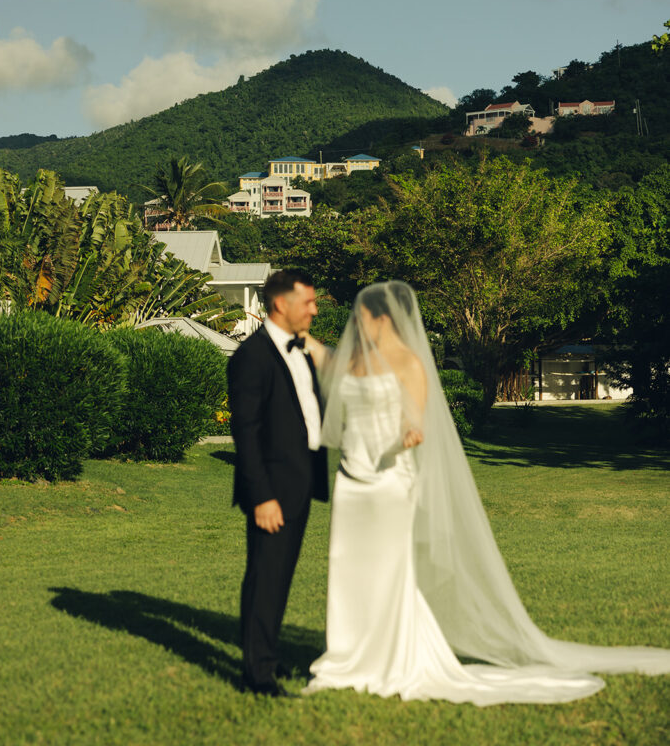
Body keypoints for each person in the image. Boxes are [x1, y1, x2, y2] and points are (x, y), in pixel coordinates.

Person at [303, 281, 670, 705]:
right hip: (352, 480)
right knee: (348, 565)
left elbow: (414, 416)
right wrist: (303, 339)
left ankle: (389, 657)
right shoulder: (355, 359)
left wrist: (408, 432)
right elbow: (331, 366)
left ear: (383, 318)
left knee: (388, 570)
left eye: (362, 314)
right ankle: (348, 651)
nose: (357, 321)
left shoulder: (409, 362)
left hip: (389, 480)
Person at [228, 268, 329, 697]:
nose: (314, 309)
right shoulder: (251, 356)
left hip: (300, 481)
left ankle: (266, 654)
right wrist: (262, 496)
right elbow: (246, 433)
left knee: (281, 576)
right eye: (307, 301)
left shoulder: (300, 351)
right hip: (272, 488)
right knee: (265, 576)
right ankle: (257, 674)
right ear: (280, 304)